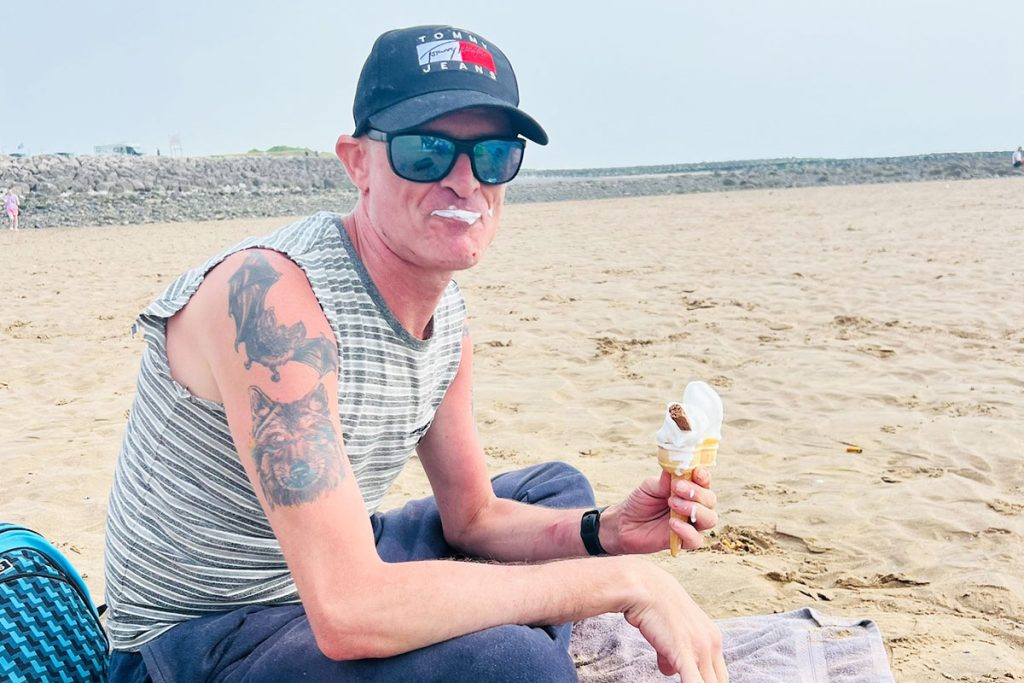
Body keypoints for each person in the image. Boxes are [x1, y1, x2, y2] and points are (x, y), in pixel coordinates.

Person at [104, 24, 726, 683]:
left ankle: (485, 633)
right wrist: (620, 581)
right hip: (202, 635)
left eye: (494, 156)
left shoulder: (446, 315)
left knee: (557, 491)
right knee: (509, 663)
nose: (465, 182)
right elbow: (347, 609)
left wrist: (607, 534)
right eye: (426, 152)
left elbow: (473, 517)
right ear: (358, 163)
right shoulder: (268, 299)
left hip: (340, 561)